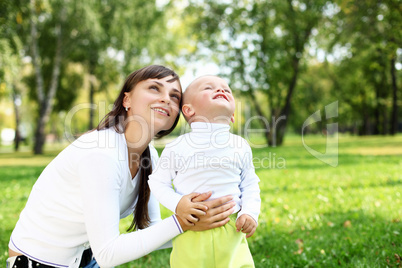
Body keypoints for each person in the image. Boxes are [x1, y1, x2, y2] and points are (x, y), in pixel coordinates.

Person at [7, 66, 235, 268]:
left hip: (87, 260)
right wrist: (181, 222)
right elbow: (108, 253)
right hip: (39, 263)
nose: (166, 99)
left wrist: (197, 222)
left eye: (175, 96)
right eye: (154, 88)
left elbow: (151, 231)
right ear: (127, 100)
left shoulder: (150, 156)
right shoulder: (101, 152)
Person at [148, 75, 261, 267]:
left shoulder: (240, 145)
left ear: (232, 115)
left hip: (231, 230)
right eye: (209, 88)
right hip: (191, 229)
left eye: (227, 90)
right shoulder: (177, 147)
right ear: (188, 110)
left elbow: (250, 183)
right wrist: (178, 205)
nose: (221, 90)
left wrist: (250, 212)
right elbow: (157, 182)